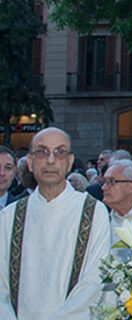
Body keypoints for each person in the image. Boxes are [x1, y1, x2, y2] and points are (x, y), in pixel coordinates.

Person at [0, 127, 110, 319]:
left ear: (69, 163)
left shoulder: (93, 212)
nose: (50, 160)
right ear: (30, 163)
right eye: (42, 152)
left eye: (59, 152)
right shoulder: (10, 216)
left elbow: (94, 279)